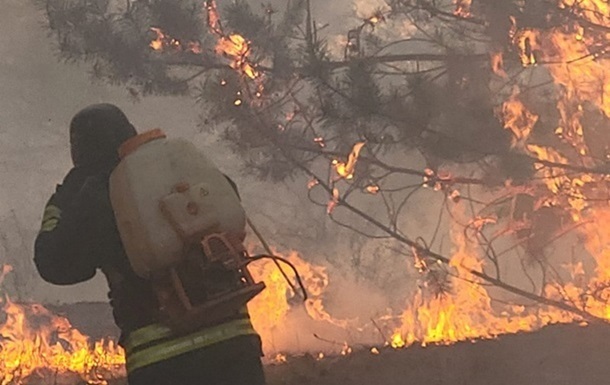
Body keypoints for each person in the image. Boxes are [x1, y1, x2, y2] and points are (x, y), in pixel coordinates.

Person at [34, 104, 266, 385]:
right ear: (130, 133)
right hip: (235, 342)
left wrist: (66, 195)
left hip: (160, 358)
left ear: (78, 152)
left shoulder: (97, 195)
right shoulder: (178, 168)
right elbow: (230, 206)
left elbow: (54, 264)